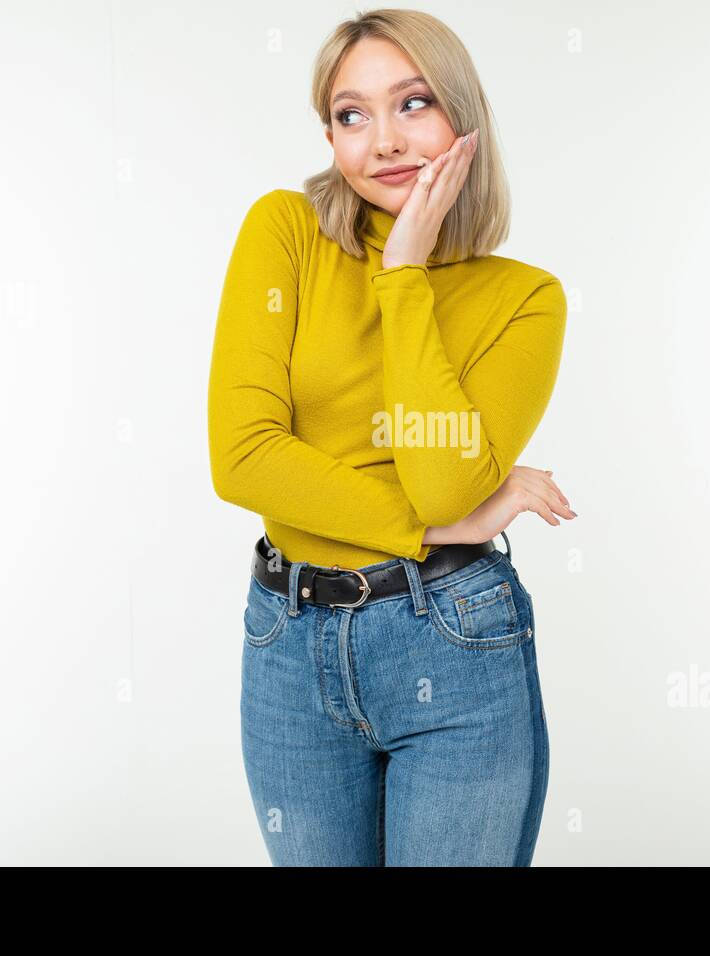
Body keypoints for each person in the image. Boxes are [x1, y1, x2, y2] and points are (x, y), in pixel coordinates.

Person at [208, 8, 575, 866]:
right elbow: (244, 457)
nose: (383, 142)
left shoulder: (525, 299)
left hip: (450, 636)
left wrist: (404, 273)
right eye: (351, 115)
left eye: (412, 104)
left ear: (461, 115)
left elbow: (444, 481)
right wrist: (431, 530)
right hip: (288, 644)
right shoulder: (285, 232)